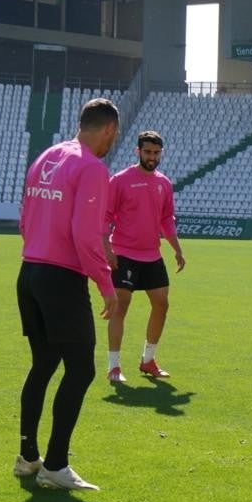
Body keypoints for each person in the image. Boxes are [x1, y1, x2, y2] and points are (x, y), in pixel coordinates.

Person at [14, 98, 121, 491]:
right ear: (109, 129)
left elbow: (25, 219)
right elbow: (85, 234)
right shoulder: (92, 168)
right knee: (81, 369)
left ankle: (27, 456)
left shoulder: (47, 156)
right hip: (60, 278)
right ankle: (55, 465)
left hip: (30, 272)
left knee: (43, 363)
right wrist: (105, 284)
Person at [104, 130, 185, 383]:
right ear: (137, 151)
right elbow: (105, 217)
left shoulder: (164, 183)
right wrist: (107, 250)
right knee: (121, 305)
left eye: (156, 153)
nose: (152, 157)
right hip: (124, 253)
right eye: (147, 152)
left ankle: (148, 360)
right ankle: (114, 366)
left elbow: (166, 220)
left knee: (162, 303)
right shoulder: (119, 180)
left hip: (152, 254)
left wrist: (177, 249)